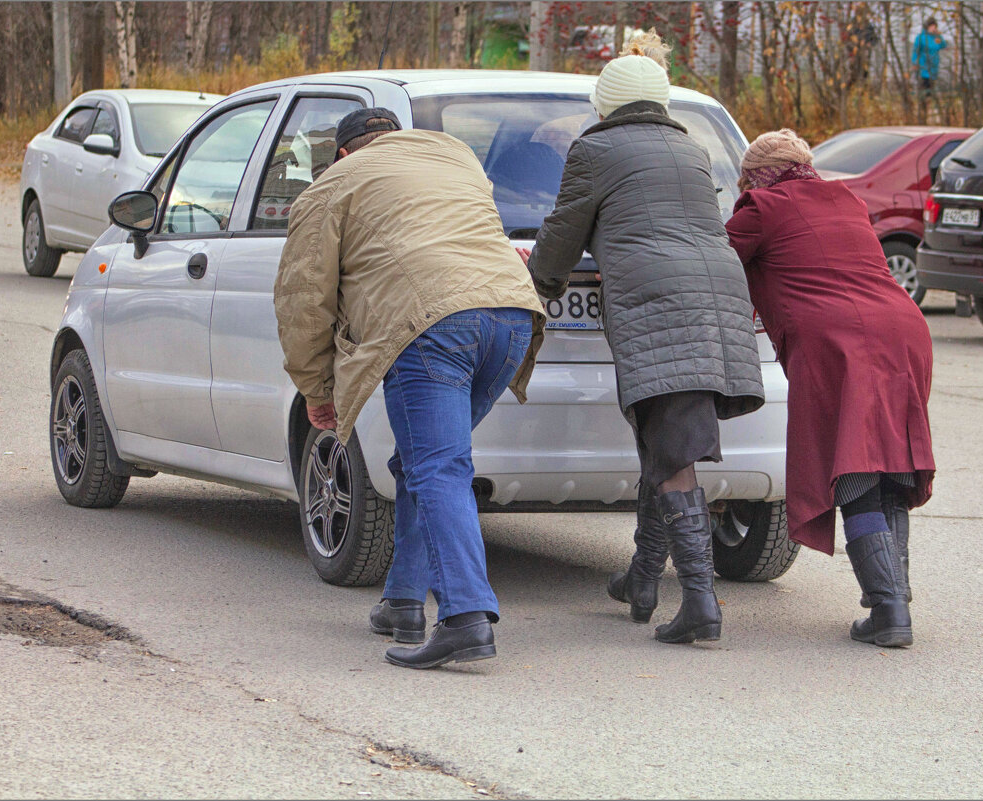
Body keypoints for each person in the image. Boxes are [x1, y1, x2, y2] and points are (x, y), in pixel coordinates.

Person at [274, 108, 546, 670]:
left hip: (432, 324)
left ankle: (465, 617)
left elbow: (305, 300)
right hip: (513, 318)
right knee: (421, 462)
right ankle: (402, 600)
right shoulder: (458, 159)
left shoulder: (334, 185)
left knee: (438, 467)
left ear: (345, 153)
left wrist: (316, 389)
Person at [518, 49, 765, 645]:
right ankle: (644, 581)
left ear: (606, 102)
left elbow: (562, 230)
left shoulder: (595, 148)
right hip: (717, 294)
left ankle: (701, 604)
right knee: (663, 440)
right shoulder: (690, 147)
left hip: (660, 299)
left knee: (674, 450)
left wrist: (537, 286)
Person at [725, 129, 936, 648]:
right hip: (903, 331)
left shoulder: (762, 206)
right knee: (890, 467)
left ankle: (888, 612)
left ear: (757, 174)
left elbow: (713, 259)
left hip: (836, 341)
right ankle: (893, 605)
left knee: (854, 470)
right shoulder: (846, 198)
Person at [911, 17, 947, 119]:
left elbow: (943, 45)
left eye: (935, 26)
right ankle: (923, 111)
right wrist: (915, 62)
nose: (933, 28)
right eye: (932, 26)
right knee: (925, 91)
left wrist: (939, 35)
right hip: (923, 69)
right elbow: (915, 51)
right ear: (927, 26)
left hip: (934, 69)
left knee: (931, 91)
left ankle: (928, 110)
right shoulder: (921, 38)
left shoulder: (936, 38)